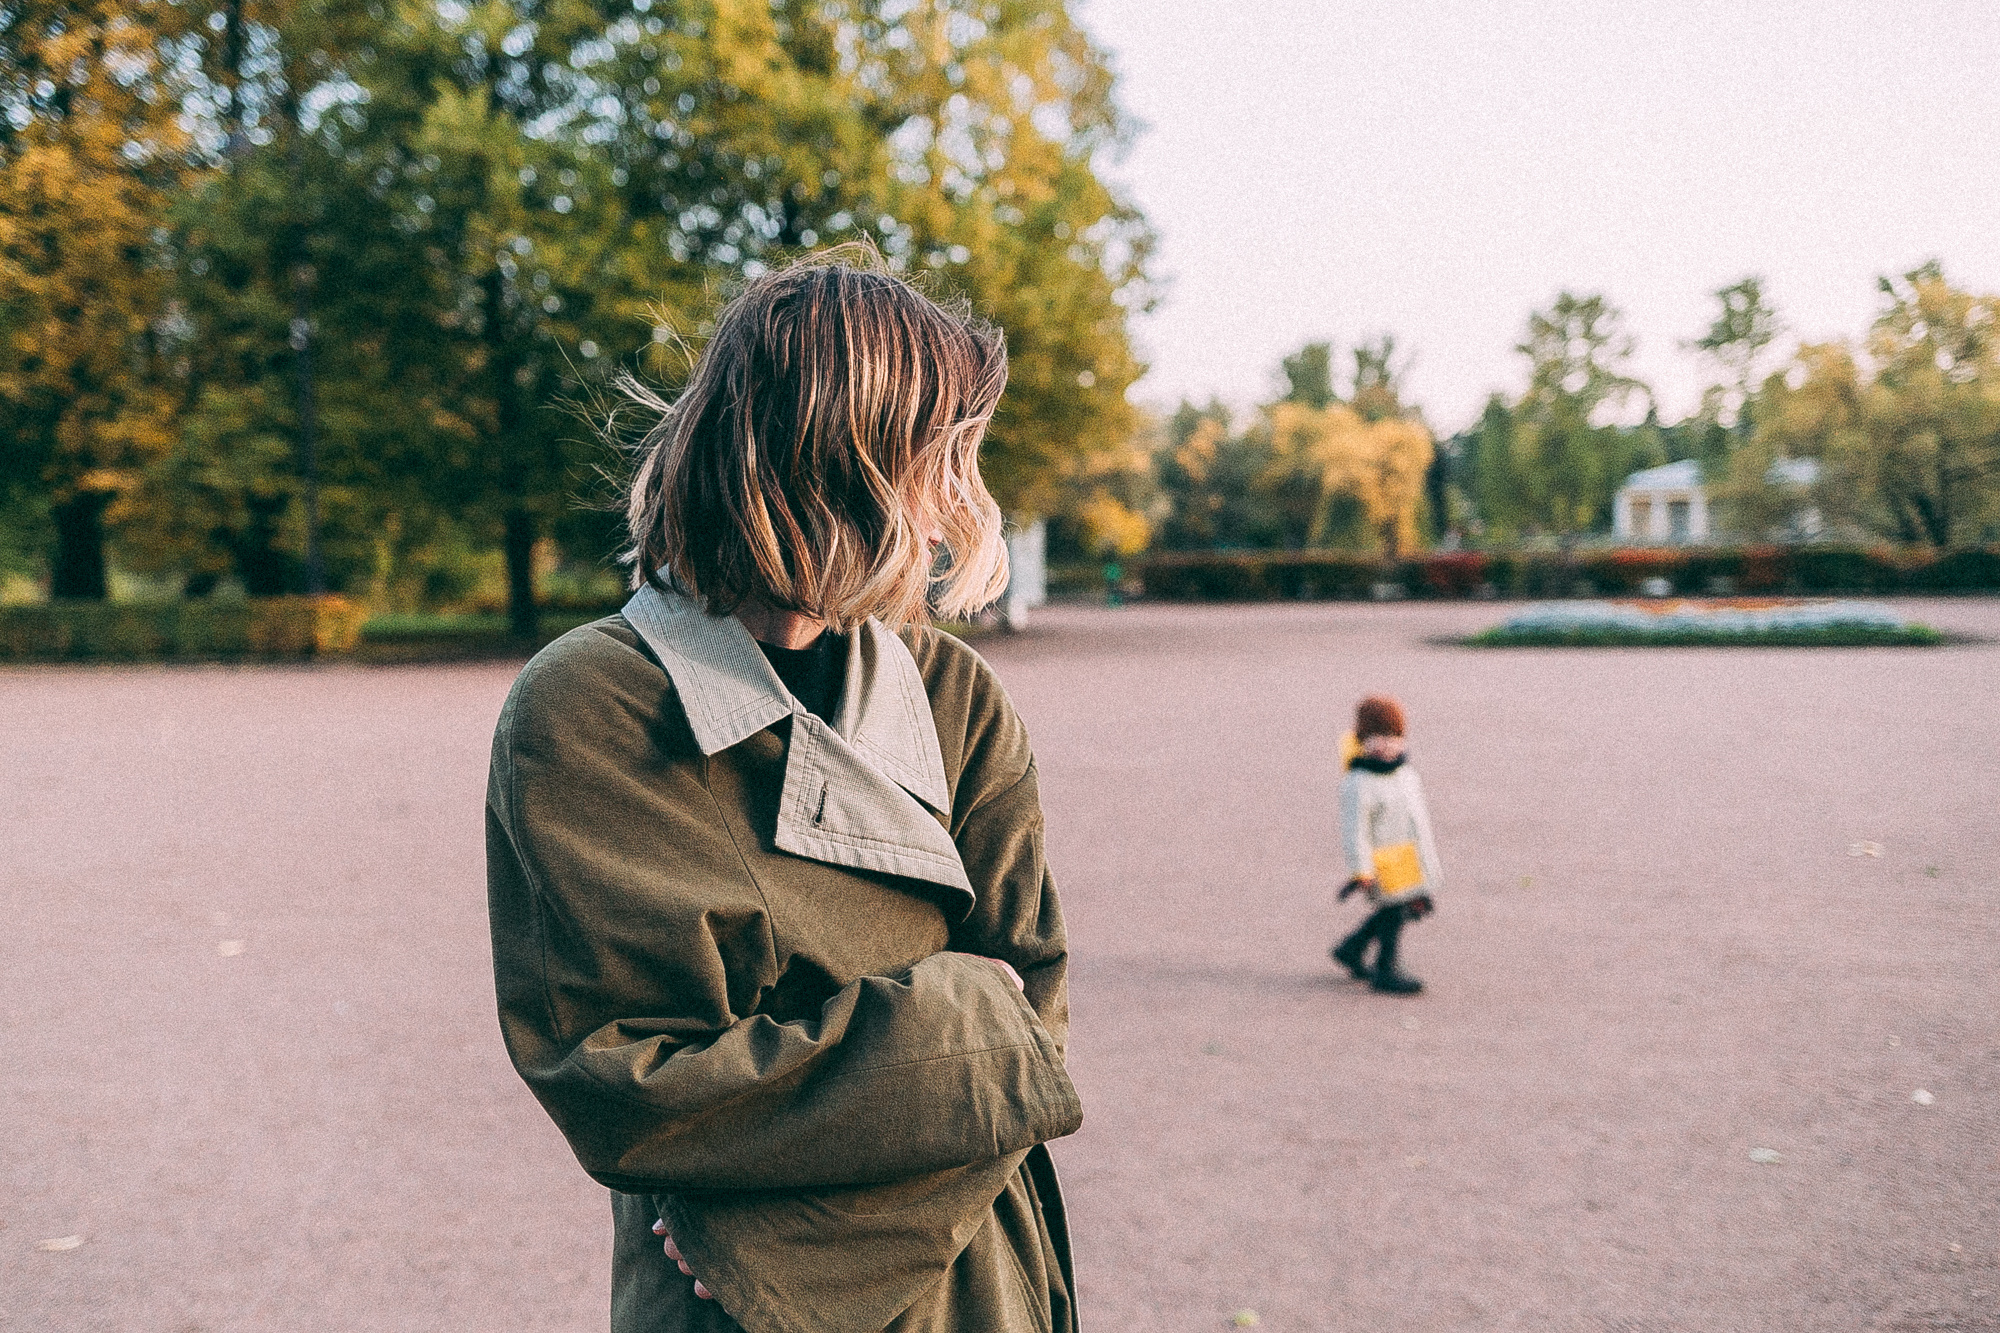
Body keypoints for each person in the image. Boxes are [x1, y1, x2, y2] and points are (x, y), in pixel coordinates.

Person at [485, 250, 1082, 1333]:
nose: (959, 502)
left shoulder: (953, 692)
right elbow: (627, 1084)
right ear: (843, 463)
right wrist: (959, 1017)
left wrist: (798, 1238)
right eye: (939, 459)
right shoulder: (593, 705)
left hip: (968, 1277)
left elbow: (1031, 1026)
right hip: (733, 1302)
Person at [1329, 695, 1440, 994]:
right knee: (1392, 914)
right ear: (1362, 740)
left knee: (1398, 910)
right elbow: (1355, 832)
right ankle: (1385, 968)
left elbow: (1418, 823)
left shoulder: (1406, 775)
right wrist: (1361, 870)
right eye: (1377, 738)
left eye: (1393, 737)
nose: (1387, 745)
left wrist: (1425, 865)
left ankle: (1352, 948)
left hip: (1408, 858)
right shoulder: (1359, 783)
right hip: (1382, 863)